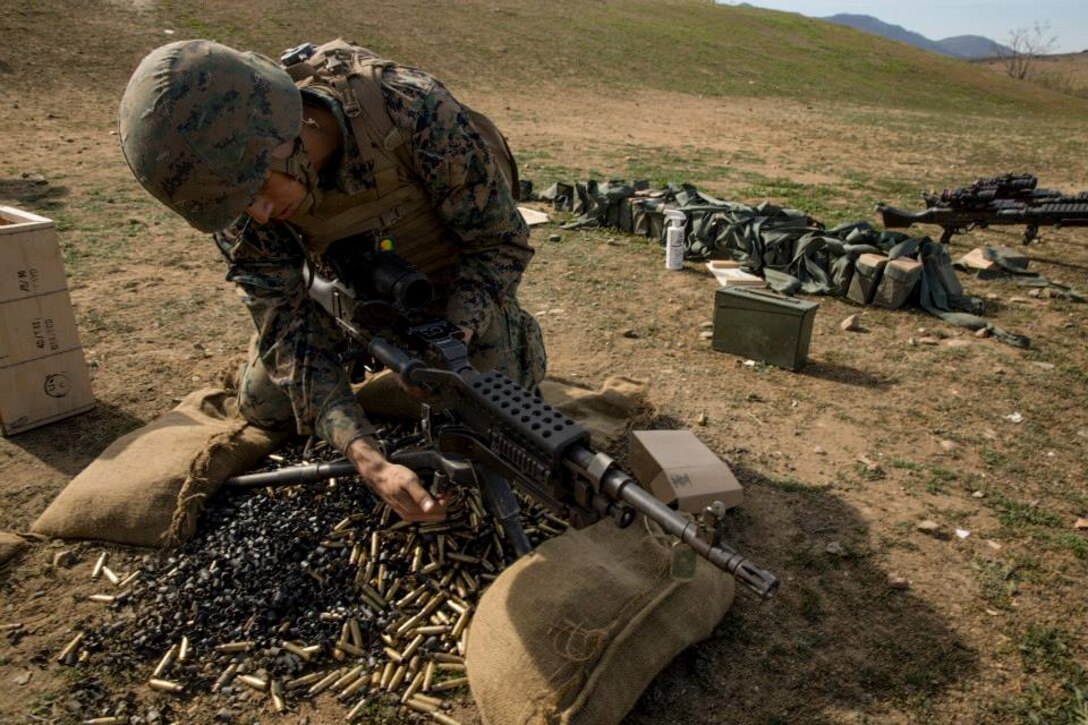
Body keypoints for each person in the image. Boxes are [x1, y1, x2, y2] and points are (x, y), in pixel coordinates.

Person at [118, 39, 546, 523]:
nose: (258, 214)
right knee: (264, 405)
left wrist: (454, 334)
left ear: (285, 134)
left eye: (258, 189)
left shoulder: (410, 110)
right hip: (338, 304)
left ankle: (510, 337)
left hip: (445, 296)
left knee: (498, 411)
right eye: (241, 204)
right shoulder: (239, 194)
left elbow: (499, 245)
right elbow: (286, 324)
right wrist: (366, 457)